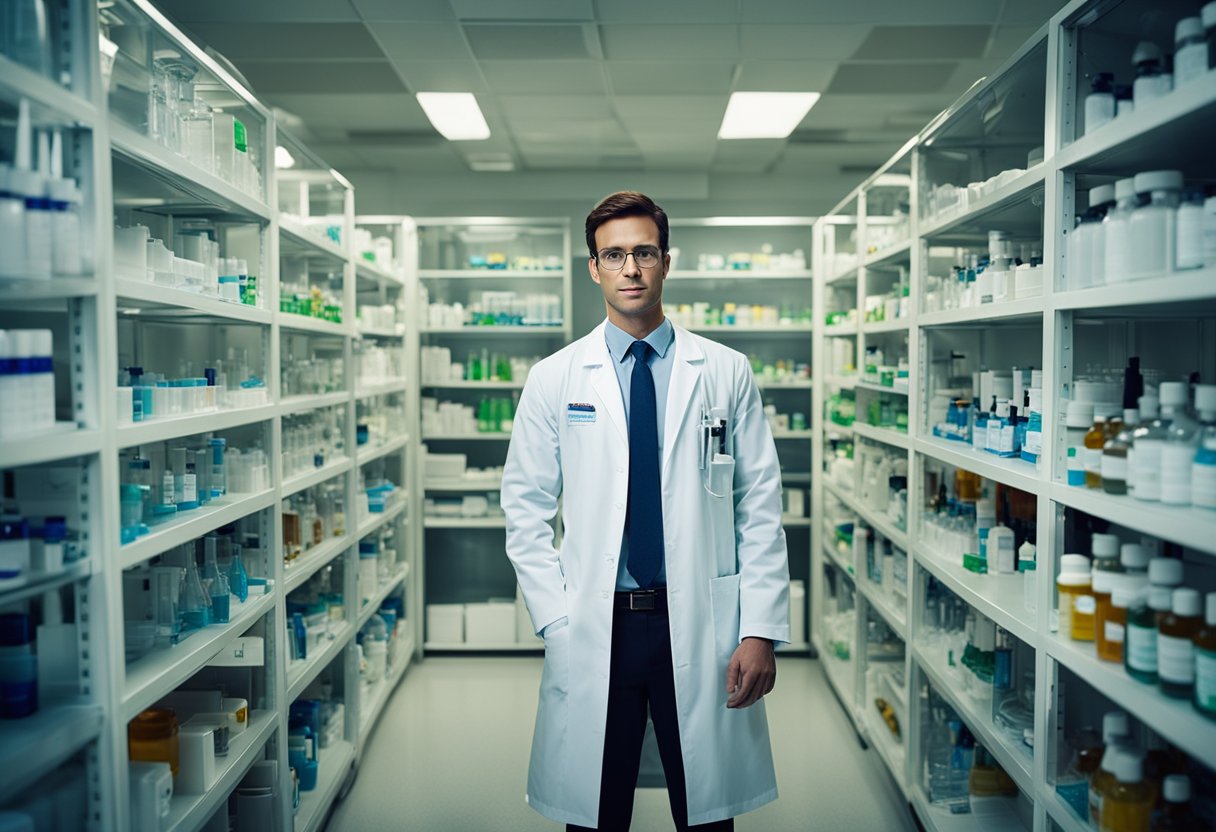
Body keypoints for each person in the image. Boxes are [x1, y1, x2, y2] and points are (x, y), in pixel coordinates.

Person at [501, 191, 790, 831]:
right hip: (599, 624)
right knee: (598, 814)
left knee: (706, 814)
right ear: (593, 268)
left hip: (705, 623)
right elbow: (524, 510)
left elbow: (760, 506)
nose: (630, 268)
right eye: (614, 254)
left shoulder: (724, 371)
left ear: (665, 261)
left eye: (643, 252)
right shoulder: (555, 378)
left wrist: (760, 628)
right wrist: (556, 621)